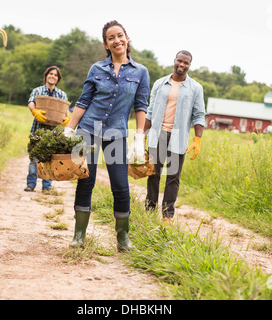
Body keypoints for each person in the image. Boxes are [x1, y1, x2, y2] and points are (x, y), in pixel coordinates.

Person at [64, 20, 150, 251]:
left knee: (121, 186)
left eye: (120, 35)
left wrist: (139, 138)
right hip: (89, 130)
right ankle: (79, 236)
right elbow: (84, 101)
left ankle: (123, 238)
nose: (117, 40)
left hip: (117, 133)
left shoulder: (140, 72)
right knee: (86, 181)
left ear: (127, 38)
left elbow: (141, 106)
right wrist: (70, 129)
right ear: (106, 44)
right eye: (111, 38)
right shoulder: (97, 69)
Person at [143, 50, 205, 225]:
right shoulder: (159, 84)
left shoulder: (195, 88)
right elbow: (150, 111)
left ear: (189, 65)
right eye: (180, 61)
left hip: (178, 137)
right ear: (175, 61)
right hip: (157, 135)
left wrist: (197, 139)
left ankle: (167, 215)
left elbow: (199, 115)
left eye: (186, 63)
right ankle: (149, 210)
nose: (182, 65)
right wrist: (142, 136)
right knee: (153, 174)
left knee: (173, 177)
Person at [25, 66, 70, 193]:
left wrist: (67, 118)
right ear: (46, 76)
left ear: (58, 79)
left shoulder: (62, 94)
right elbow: (30, 102)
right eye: (51, 74)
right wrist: (34, 111)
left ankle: (47, 186)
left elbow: (66, 110)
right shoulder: (38, 91)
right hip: (38, 129)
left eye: (55, 75)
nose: (53, 76)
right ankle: (31, 185)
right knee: (34, 159)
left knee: (50, 160)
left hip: (53, 133)